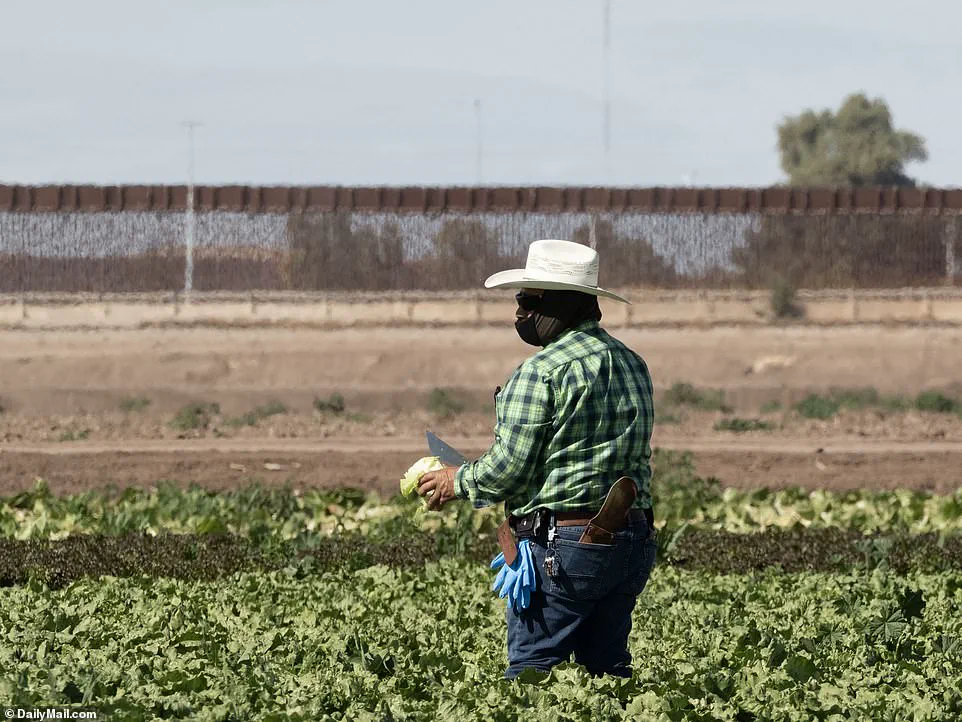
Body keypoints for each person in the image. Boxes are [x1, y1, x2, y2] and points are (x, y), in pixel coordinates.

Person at [417, 238, 657, 679]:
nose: (520, 313)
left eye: (529, 301)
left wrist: (457, 481)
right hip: (631, 542)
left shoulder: (541, 372)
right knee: (607, 672)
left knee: (533, 671)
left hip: (565, 550)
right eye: (519, 301)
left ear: (562, 305)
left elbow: (508, 470)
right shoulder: (633, 363)